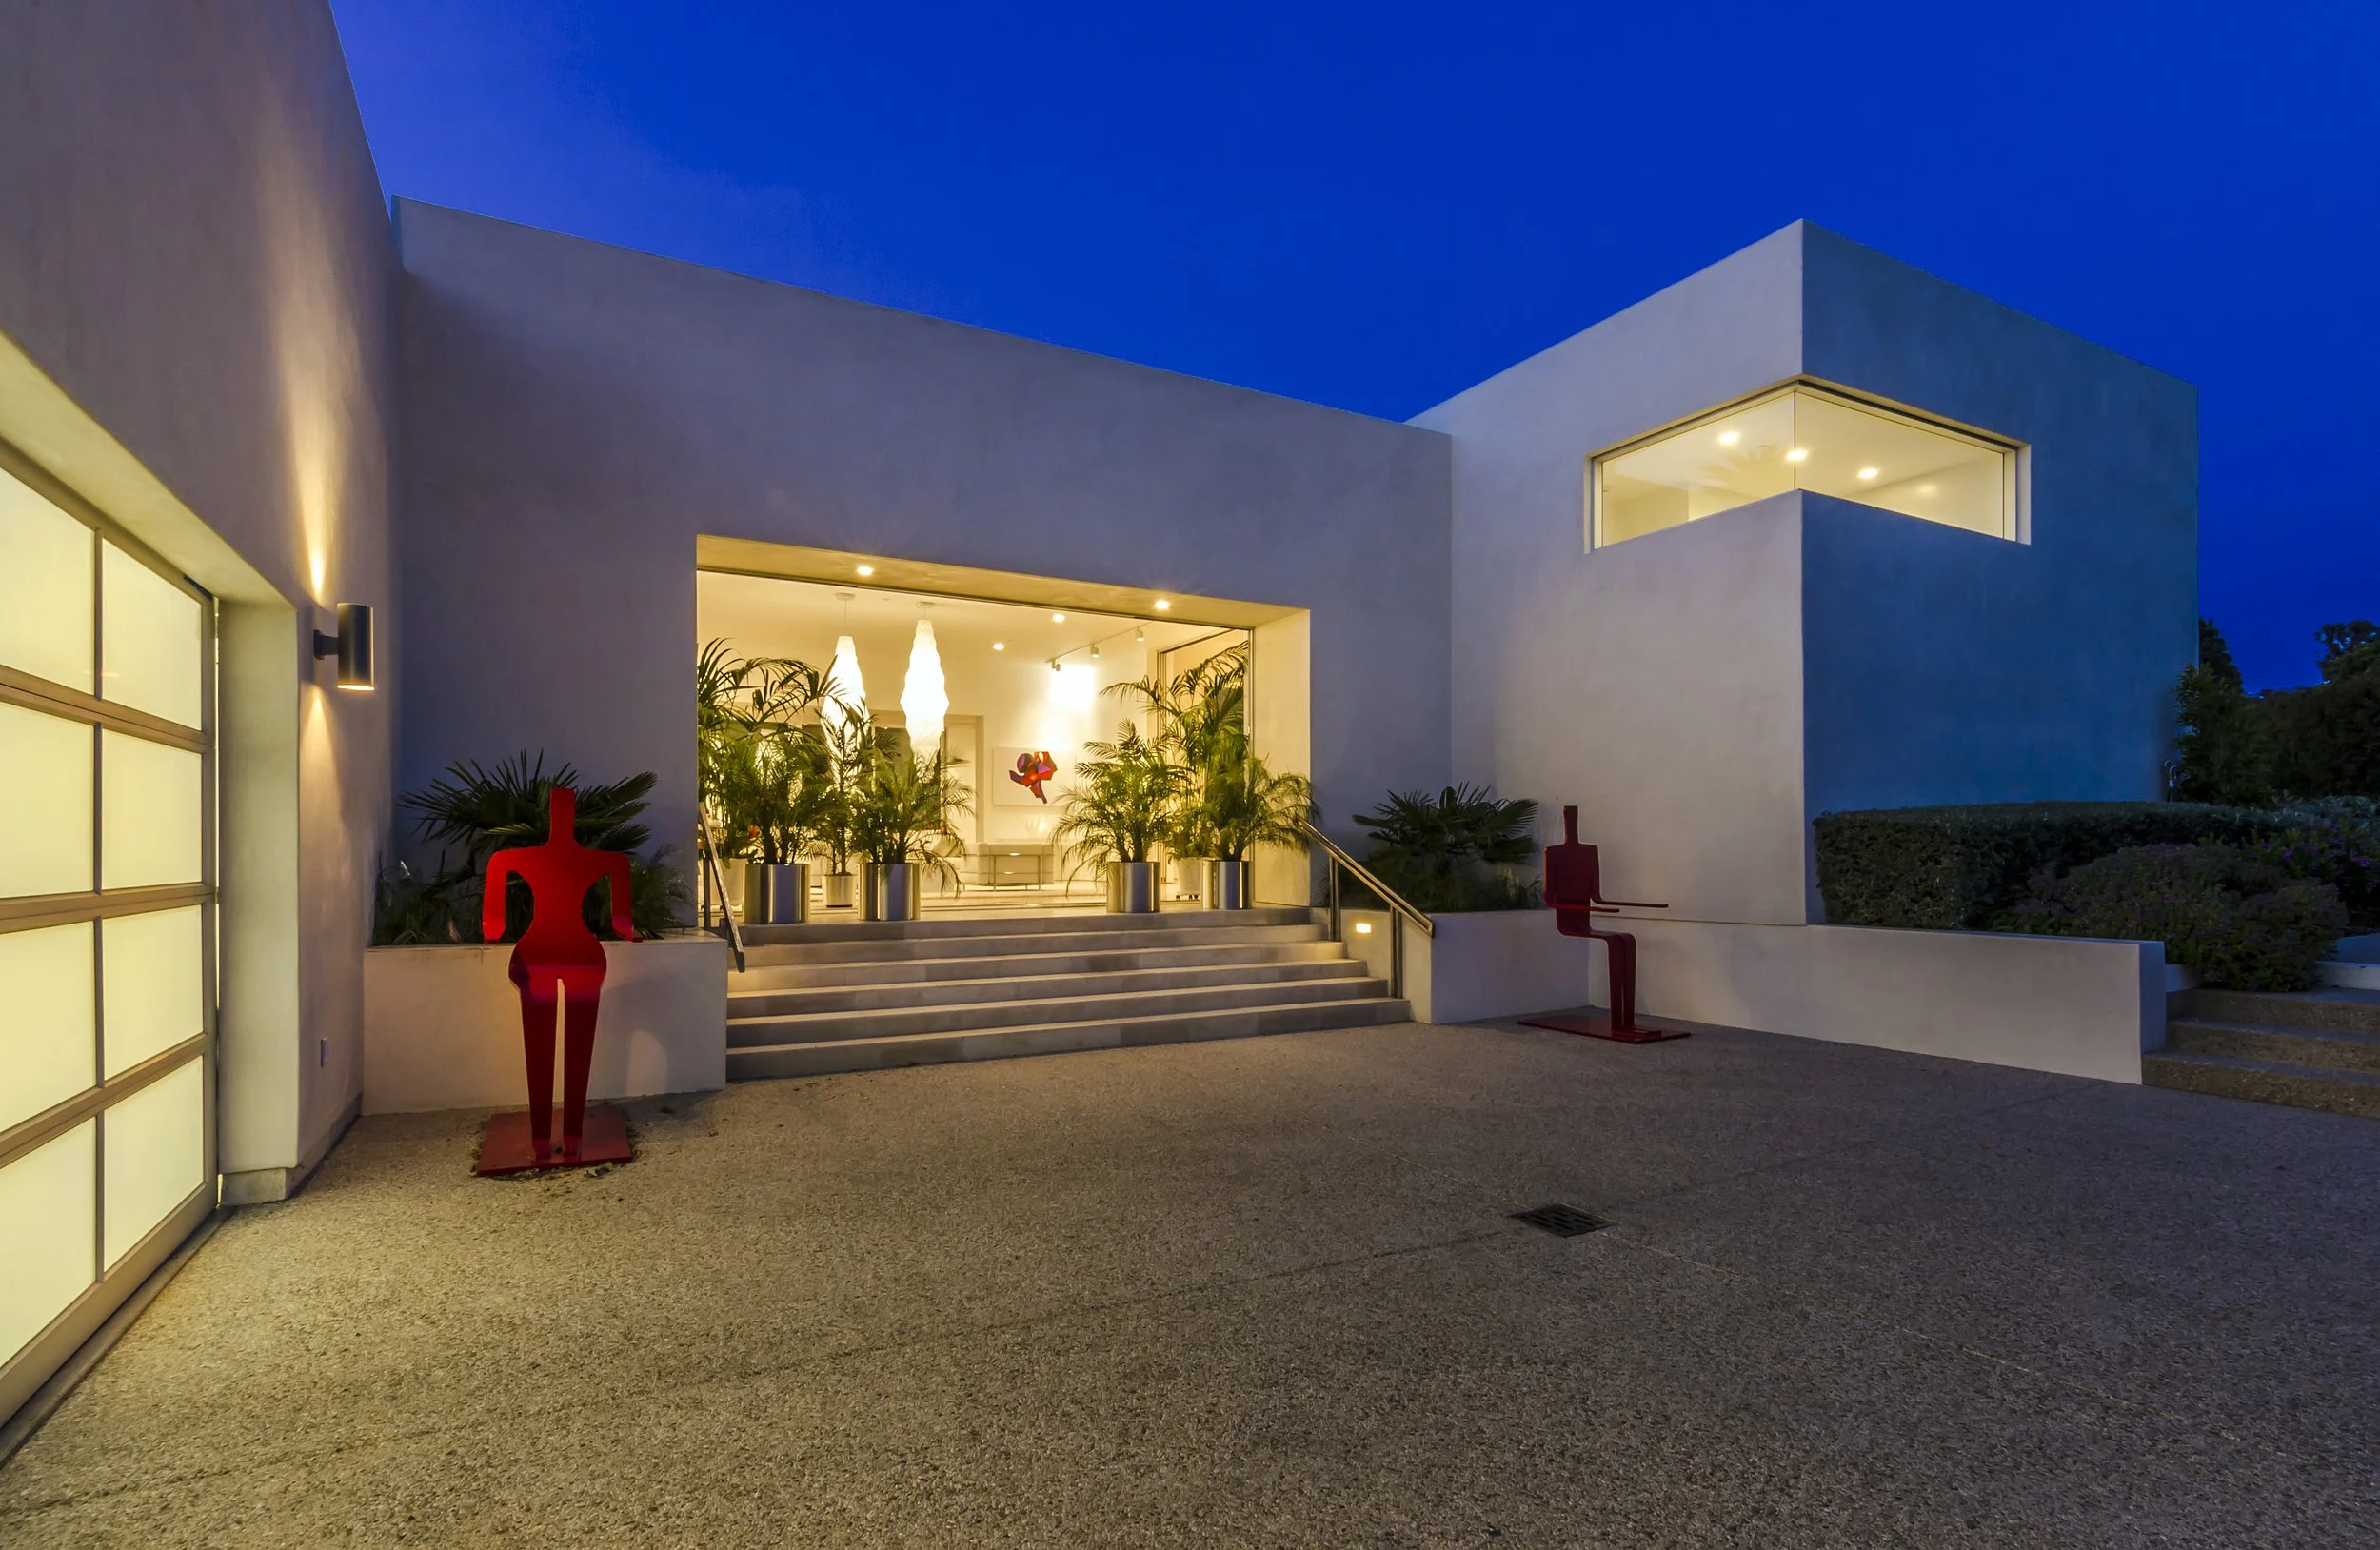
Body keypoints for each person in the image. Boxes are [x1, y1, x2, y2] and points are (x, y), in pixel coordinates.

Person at [482, 786, 636, 1158]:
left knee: (554, 1041)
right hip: (572, 955)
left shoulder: (522, 857)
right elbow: (619, 884)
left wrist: (494, 924)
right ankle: (560, 1136)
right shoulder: (598, 860)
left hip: (545, 955)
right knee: (553, 1041)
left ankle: (557, 1137)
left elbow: (499, 865)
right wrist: (623, 926)